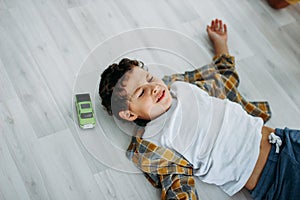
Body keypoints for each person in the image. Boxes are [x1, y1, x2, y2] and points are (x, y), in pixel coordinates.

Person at [98, 19, 300, 200]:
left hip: (286, 139)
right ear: (130, 114)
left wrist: (221, 46)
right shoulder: (155, 141)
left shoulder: (179, 87)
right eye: (141, 93)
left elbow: (223, 80)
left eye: (150, 78)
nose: (154, 88)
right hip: (274, 180)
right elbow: (178, 186)